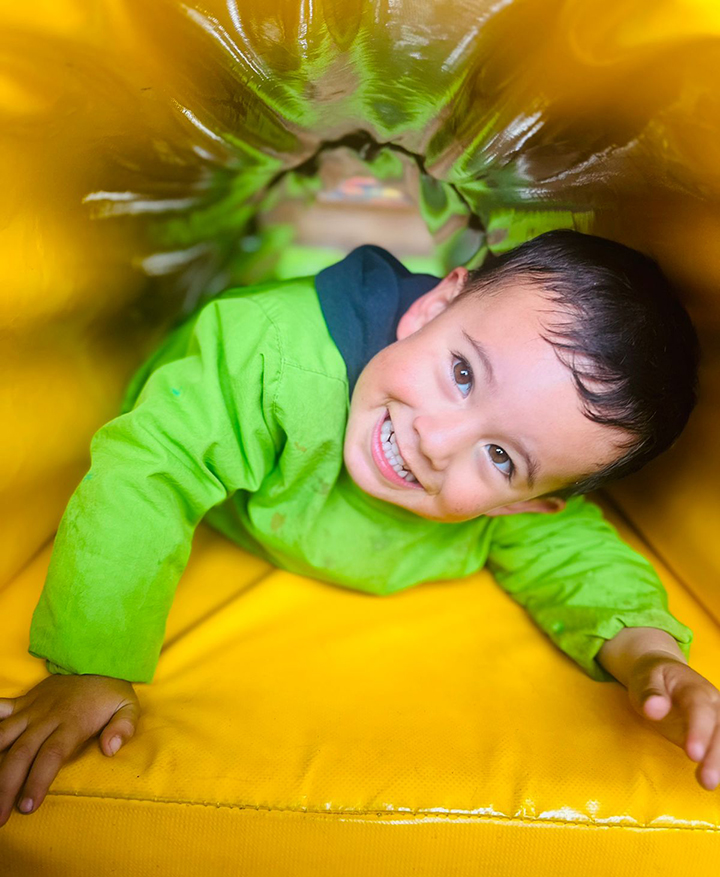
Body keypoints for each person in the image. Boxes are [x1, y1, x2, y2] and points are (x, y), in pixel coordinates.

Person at [1, 230, 717, 829]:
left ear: (526, 505)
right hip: (215, 385)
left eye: (500, 458)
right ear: (436, 302)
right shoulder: (271, 359)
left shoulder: (506, 515)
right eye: (463, 374)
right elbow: (153, 470)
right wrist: (93, 665)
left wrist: (650, 658)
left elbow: (578, 560)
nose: (437, 439)